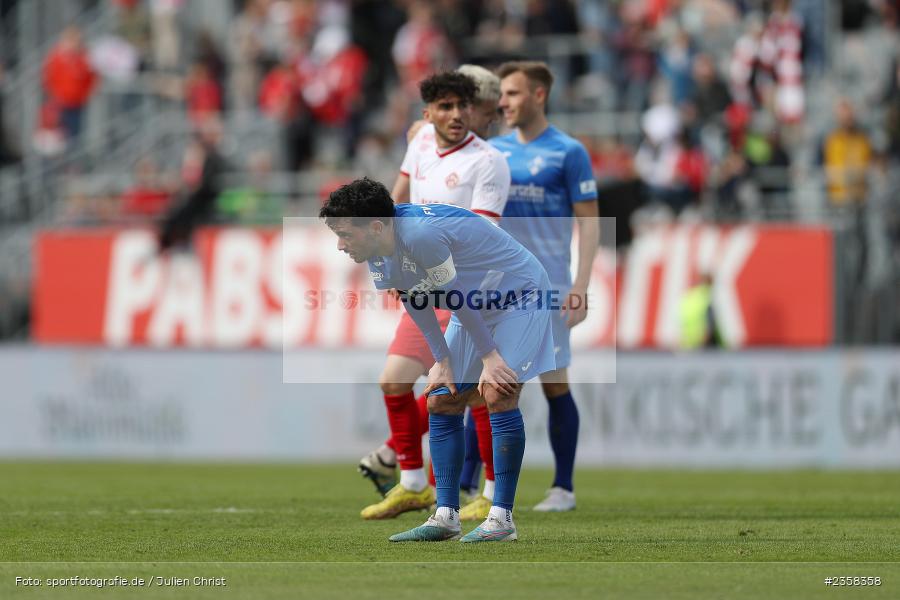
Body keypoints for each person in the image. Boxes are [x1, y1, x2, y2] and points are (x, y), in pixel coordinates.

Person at [321, 178, 556, 542]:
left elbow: (455, 294)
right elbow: (416, 299)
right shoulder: (377, 250)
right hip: (476, 303)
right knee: (441, 397)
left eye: (344, 234)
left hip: (520, 295)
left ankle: (502, 520)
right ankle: (445, 517)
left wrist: (489, 356)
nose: (340, 245)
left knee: (498, 389)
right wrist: (441, 360)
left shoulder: (419, 234)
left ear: (376, 226)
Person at [356, 69, 510, 521]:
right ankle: (412, 485)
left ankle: (490, 492)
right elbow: (396, 198)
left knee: (472, 392)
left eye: (464, 106)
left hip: (464, 284)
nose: (457, 114)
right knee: (394, 381)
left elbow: (483, 234)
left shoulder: (488, 162)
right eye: (445, 107)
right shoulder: (420, 141)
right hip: (423, 285)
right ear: (428, 113)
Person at [478, 61, 599, 514]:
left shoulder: (568, 152)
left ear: (539, 95)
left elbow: (589, 225)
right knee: (483, 385)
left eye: (511, 93)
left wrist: (581, 284)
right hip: (495, 288)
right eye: (502, 95)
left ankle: (562, 488)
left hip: (548, 287)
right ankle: (478, 490)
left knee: (553, 384)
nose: (503, 102)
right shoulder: (494, 151)